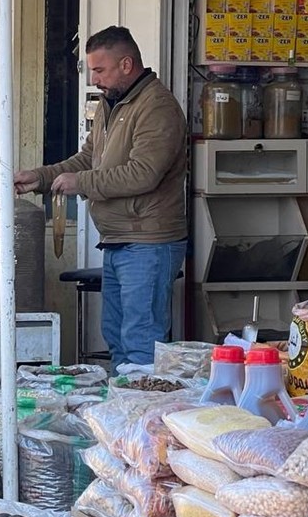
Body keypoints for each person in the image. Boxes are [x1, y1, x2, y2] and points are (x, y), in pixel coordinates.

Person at [14, 26, 187, 369]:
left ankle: (142, 402)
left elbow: (143, 173)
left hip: (148, 242)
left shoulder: (158, 107)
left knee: (140, 344)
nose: (94, 79)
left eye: (100, 70)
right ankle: (124, 400)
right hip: (118, 240)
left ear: (126, 64)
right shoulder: (110, 105)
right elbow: (87, 159)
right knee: (118, 340)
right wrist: (42, 177)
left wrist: (80, 182)